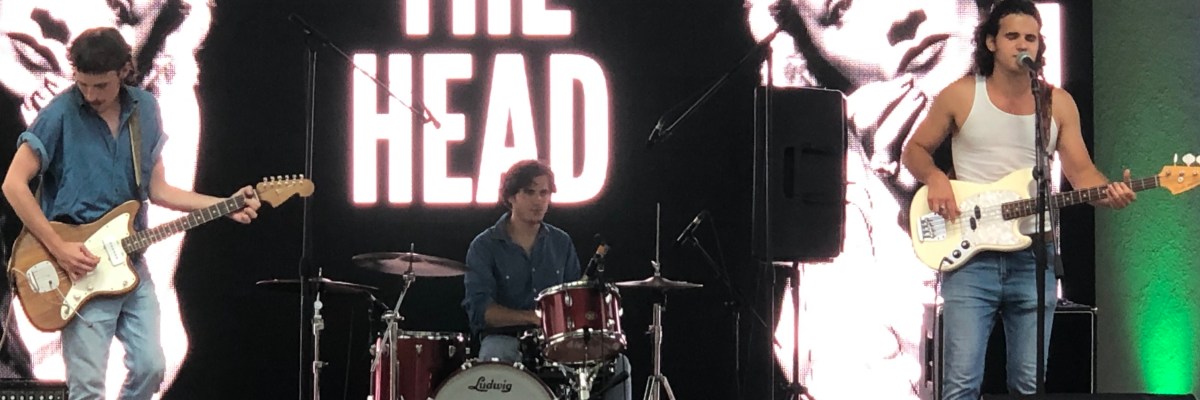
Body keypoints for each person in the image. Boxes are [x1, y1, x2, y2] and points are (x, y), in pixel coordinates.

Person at [0, 26, 259, 400]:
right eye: (83, 85)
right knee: (88, 386)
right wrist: (58, 247)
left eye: (101, 86)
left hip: (130, 265)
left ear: (123, 72)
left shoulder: (146, 110)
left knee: (152, 366)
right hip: (79, 265)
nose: (90, 95)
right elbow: (13, 184)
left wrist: (223, 206)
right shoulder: (59, 112)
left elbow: (159, 190)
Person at [745, 0, 987, 398]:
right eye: (840, 10)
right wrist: (910, 215)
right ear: (813, 60)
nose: (899, 17)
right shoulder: (836, 254)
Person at [900, 1, 1135, 398]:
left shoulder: (1056, 103)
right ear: (991, 42)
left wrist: (1109, 193)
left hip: (1033, 257)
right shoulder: (960, 95)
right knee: (961, 384)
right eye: (1012, 36)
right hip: (970, 259)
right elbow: (915, 151)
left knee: (1028, 385)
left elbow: (1082, 174)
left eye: (1031, 37)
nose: (1022, 44)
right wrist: (936, 178)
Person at [462, 159, 631, 400]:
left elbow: (575, 299)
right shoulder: (484, 246)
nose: (538, 200)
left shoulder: (561, 243)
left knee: (619, 363)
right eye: (529, 192)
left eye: (544, 193)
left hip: (555, 342)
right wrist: (534, 318)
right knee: (494, 354)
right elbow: (481, 312)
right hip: (506, 339)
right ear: (511, 197)